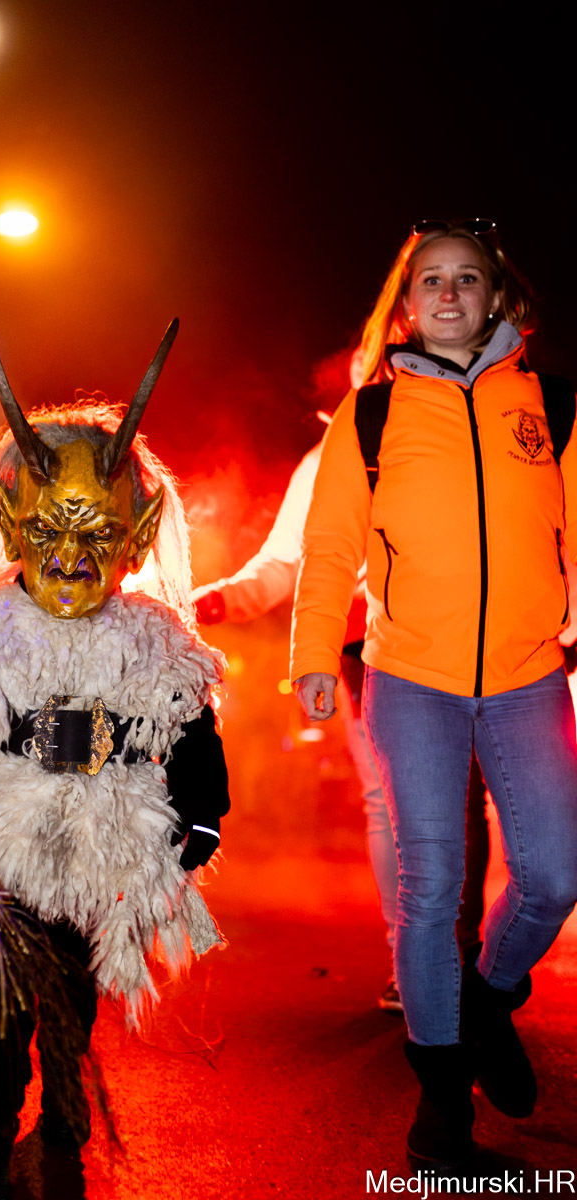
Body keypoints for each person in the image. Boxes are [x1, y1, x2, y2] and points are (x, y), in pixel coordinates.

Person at [0, 318, 230, 1193]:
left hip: (104, 833)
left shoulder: (154, 638)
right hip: (4, 832)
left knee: (69, 982)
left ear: (136, 535)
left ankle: (65, 1100)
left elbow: (188, 730)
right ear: (11, 522)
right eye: (51, 531)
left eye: (96, 534)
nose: (70, 556)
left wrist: (200, 815)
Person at [291, 219, 577, 1172]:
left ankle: (489, 1002)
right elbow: (330, 546)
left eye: (467, 278)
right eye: (430, 280)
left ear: (499, 297)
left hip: (530, 674)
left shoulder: (555, 407)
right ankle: (441, 1108)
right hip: (412, 678)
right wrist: (313, 656)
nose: (449, 293)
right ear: (409, 305)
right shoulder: (371, 416)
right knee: (430, 890)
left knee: (555, 876)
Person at [194, 419, 489, 1014]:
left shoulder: (461, 421)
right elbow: (285, 560)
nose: (372, 376)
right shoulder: (339, 446)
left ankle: (460, 954)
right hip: (370, 640)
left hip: (464, 632)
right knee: (390, 796)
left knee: (459, 795)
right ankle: (414, 961)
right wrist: (222, 598)